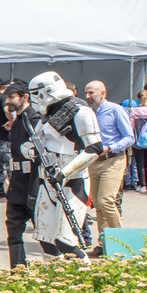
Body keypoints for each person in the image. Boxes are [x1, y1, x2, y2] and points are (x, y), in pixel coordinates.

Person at [26, 73, 99, 259]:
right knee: (46, 239)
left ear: (46, 91)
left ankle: (84, 272)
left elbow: (94, 149)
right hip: (48, 181)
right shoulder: (45, 117)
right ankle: (54, 275)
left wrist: (64, 173)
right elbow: (33, 144)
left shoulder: (81, 113)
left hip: (72, 181)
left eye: (35, 94)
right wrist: (29, 150)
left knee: (66, 242)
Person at [82, 80, 132, 242]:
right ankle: (104, 244)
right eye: (86, 93)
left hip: (113, 160)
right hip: (94, 161)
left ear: (103, 93)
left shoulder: (115, 110)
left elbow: (129, 137)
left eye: (91, 93)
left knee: (106, 201)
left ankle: (121, 242)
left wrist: (110, 148)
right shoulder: (88, 113)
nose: (88, 96)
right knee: (97, 204)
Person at [1, 82, 35, 267]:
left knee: (45, 233)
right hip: (17, 182)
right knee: (13, 229)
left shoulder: (34, 120)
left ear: (25, 97)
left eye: (12, 97)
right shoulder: (18, 121)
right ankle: (18, 271)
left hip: (33, 182)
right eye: (7, 97)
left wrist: (35, 189)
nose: (8, 101)